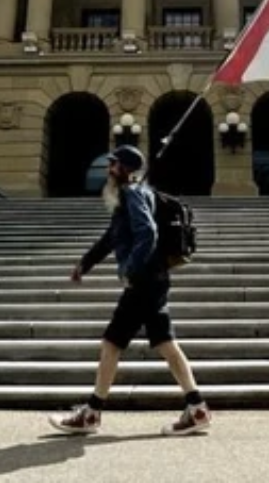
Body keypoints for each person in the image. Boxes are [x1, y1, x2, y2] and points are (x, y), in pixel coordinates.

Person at [48, 144, 212, 437]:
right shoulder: (137, 194)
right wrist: (85, 264)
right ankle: (197, 408)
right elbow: (112, 237)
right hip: (155, 279)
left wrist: (130, 269)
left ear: (124, 169)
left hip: (144, 281)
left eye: (113, 165)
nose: (108, 170)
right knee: (165, 343)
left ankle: (91, 414)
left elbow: (148, 232)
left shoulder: (131, 193)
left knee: (112, 342)